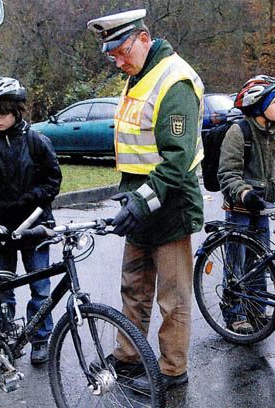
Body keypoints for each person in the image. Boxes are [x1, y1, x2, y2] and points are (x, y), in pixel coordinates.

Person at [86, 8, 204, 391]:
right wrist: (131, 200)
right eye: (112, 56)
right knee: (133, 285)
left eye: (122, 51)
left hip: (170, 202)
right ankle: (128, 357)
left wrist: (138, 202)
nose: (118, 62)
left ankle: (172, 369)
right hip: (139, 199)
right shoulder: (139, 76)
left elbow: (177, 161)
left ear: (143, 37)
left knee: (173, 296)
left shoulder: (174, 80)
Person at [0, 77, 62, 364]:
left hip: (33, 224)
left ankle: (40, 339)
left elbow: (53, 181)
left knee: (40, 288)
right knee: (2, 287)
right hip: (0, 227)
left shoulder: (36, 142)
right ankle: (6, 336)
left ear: (17, 111)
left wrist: (28, 200)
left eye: (2, 112)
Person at [218, 75, 275, 333]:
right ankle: (235, 314)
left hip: (263, 205)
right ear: (258, 106)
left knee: (261, 260)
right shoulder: (238, 132)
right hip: (240, 208)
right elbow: (228, 173)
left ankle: (256, 310)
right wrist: (244, 193)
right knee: (237, 262)